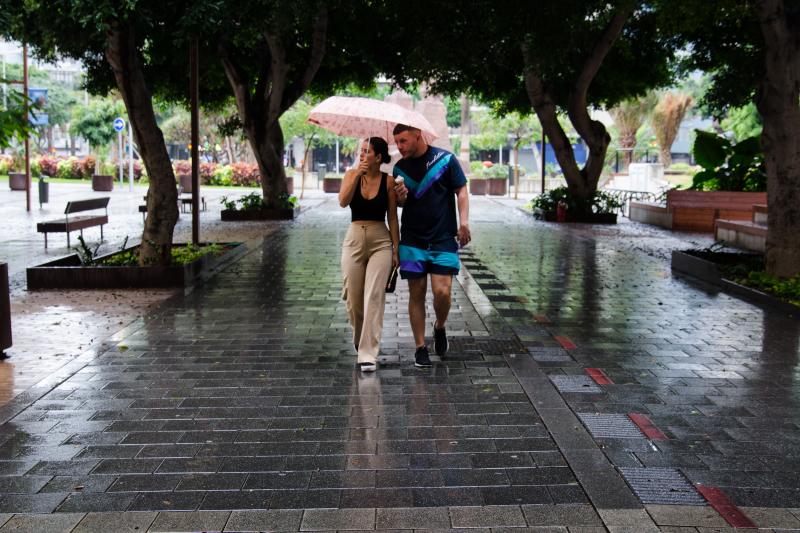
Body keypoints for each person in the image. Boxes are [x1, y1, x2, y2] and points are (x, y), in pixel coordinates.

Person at [392, 124, 470, 368]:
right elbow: (400, 204)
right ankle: (420, 347)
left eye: (403, 141)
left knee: (442, 292)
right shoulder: (399, 168)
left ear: (418, 135)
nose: (399, 146)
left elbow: (461, 190)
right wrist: (401, 196)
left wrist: (464, 222)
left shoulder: (445, 160)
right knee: (416, 294)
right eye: (397, 142)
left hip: (443, 237)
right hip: (412, 239)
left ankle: (439, 326)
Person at [339, 137, 400, 372]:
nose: (362, 154)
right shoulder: (350, 175)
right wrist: (357, 175)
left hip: (380, 241)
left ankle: (368, 353)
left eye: (367, 151)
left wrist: (396, 248)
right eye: (361, 150)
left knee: (374, 296)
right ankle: (359, 338)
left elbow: (392, 217)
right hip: (354, 238)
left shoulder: (388, 181)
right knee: (354, 297)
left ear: (378, 157)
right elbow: (343, 201)